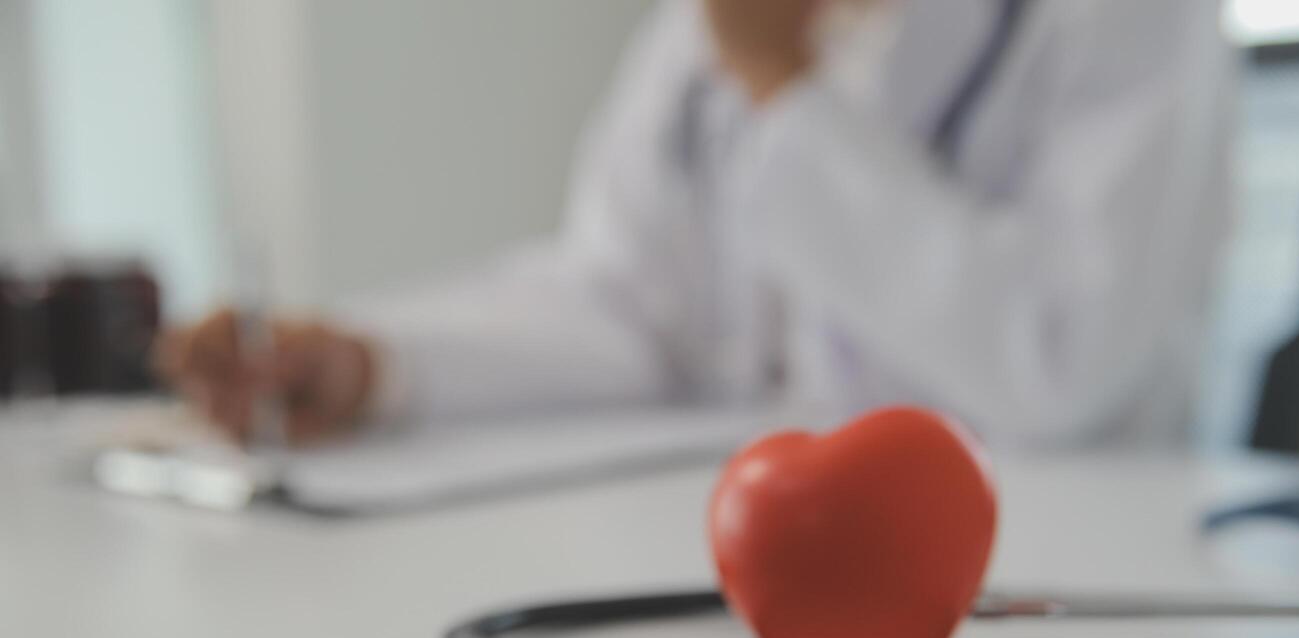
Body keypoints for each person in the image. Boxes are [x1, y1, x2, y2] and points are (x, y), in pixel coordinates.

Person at [159, 0, 1234, 449]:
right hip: (757, 560)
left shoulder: (1123, 19)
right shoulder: (703, 29)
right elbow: (621, 299)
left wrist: (779, 84)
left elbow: (1058, 365)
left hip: (1063, 585)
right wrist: (372, 365)